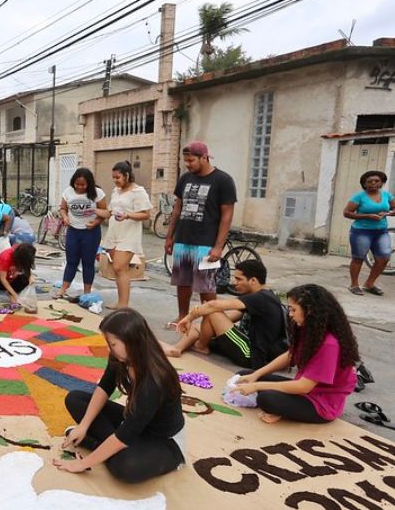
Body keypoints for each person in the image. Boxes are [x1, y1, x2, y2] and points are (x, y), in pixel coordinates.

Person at [55, 308, 185, 483]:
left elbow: (124, 437)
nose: (109, 348)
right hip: (133, 421)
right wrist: (83, 426)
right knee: (75, 399)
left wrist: (83, 463)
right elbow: (104, 387)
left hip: (163, 439)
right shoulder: (120, 358)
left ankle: (97, 445)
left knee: (126, 466)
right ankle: (104, 446)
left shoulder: (155, 380)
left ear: (131, 341)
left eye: (113, 344)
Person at [234, 284, 358, 425]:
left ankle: (282, 410)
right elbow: (290, 355)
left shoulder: (329, 344)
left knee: (266, 399)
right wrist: (256, 375)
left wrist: (258, 386)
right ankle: (280, 405)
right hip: (305, 389)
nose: (290, 314)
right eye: (289, 309)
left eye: (293, 309)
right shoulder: (310, 329)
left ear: (309, 310)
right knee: (244, 375)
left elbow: (303, 387)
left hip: (321, 402)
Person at [163, 260, 289, 370]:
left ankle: (201, 346)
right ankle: (177, 348)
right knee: (203, 322)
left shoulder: (261, 298)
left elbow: (213, 306)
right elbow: (231, 316)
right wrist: (208, 325)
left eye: (239, 279)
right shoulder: (261, 296)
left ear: (253, 280)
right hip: (246, 343)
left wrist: (189, 317)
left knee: (212, 310)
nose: (234, 283)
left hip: (251, 355)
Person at [163, 141, 237, 325]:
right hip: (183, 239)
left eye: (191, 161)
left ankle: (211, 323)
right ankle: (182, 317)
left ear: (204, 158)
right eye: (185, 161)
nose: (187, 164)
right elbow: (177, 209)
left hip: (206, 243)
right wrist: (170, 236)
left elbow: (227, 216)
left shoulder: (223, 180)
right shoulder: (185, 179)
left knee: (206, 286)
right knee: (182, 282)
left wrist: (218, 246)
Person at [101, 161, 152, 309]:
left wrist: (128, 215)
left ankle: (124, 304)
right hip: (114, 232)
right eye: (113, 177)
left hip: (129, 234)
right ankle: (120, 301)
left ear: (127, 176)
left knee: (119, 267)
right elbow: (110, 211)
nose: (115, 180)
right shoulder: (115, 191)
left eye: (118, 177)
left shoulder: (138, 192)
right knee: (117, 269)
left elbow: (146, 214)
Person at [54, 168, 107, 300]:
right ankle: (63, 289)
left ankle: (87, 292)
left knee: (88, 262)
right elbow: (63, 208)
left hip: (91, 232)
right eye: (77, 184)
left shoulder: (97, 193)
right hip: (73, 231)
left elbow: (105, 212)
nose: (80, 187)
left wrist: (96, 222)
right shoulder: (68, 192)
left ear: (89, 183)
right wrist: (65, 217)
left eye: (83, 185)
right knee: (71, 261)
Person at [343, 170, 394, 296]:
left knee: (384, 257)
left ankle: (369, 284)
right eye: (369, 181)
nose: (373, 183)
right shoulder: (359, 197)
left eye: (376, 181)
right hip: (361, 232)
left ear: (382, 183)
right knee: (358, 258)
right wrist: (367, 216)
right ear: (364, 184)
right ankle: (354, 285)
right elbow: (347, 213)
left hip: (381, 232)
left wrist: (387, 213)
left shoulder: (387, 196)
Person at [0, 242, 36, 308]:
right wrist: (16, 295)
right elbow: (3, 279)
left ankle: (11, 294)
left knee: (26, 277)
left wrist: (31, 276)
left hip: (12, 279)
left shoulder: (23, 251)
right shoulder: (6, 257)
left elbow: (27, 265)